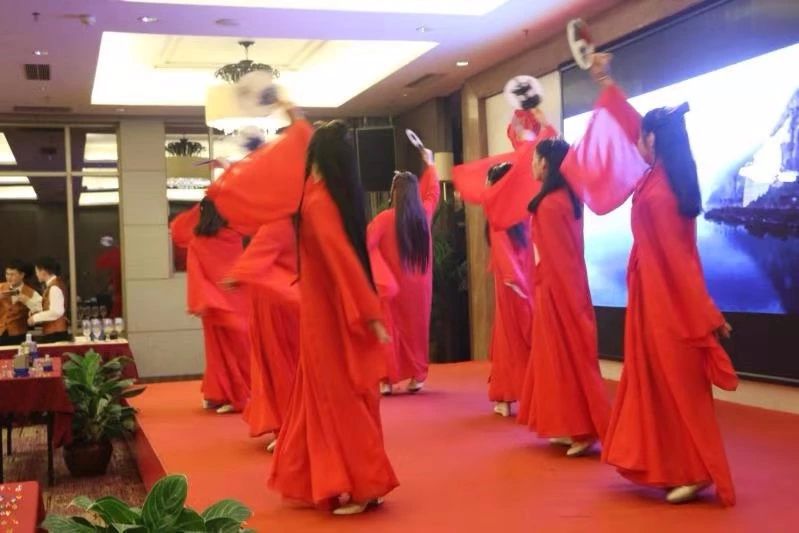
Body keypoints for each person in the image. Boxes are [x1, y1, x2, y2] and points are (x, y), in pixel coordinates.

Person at [583, 54, 737, 505]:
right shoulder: (660, 175)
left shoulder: (665, 190)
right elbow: (633, 123)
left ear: (653, 139)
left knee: (677, 385)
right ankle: (671, 466)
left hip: (669, 301)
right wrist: (607, 82)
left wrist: (706, 314)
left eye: (642, 138)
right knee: (655, 384)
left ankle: (696, 469)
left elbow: (681, 261)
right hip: (651, 296)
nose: (636, 143)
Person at [269, 120, 398, 515]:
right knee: (334, 397)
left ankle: (365, 483)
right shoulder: (323, 196)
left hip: (329, 319)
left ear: (315, 158)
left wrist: (369, 312)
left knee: (338, 398)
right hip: (327, 313)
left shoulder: (318, 203)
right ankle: (352, 480)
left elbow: (342, 260)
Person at [516, 138, 611, 457]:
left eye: (534, 159)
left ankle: (583, 429)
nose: (532, 165)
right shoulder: (569, 198)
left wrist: (550, 292)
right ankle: (571, 426)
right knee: (565, 359)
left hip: (556, 289)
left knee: (564, 360)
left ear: (546, 164)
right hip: (569, 285)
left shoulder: (549, 204)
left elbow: (555, 257)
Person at [367, 147, 439, 394]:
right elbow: (433, 192)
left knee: (391, 328)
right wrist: (430, 164)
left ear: (395, 193)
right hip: (419, 285)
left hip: (392, 285)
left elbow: (365, 245)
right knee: (417, 330)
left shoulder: (383, 219)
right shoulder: (423, 215)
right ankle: (417, 376)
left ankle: (386, 379)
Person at [170, 199, 251, 415]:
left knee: (218, 351)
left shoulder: (197, 242)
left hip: (213, 303)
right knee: (241, 350)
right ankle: (231, 394)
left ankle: (231, 396)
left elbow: (195, 272)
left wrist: (200, 300)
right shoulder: (237, 236)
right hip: (240, 300)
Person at [224, 220, 299, 452]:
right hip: (295, 299)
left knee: (278, 367)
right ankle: (295, 428)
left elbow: (257, 255)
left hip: (275, 305)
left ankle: (289, 429)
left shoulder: (276, 223)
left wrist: (237, 275)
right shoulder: (302, 221)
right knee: (293, 365)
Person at [482, 162, 533, 417]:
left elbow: (503, 251)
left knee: (510, 338)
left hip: (512, 283)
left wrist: (513, 279)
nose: (486, 185)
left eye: (489, 180)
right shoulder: (521, 211)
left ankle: (508, 394)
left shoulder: (499, 215)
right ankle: (522, 392)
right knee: (519, 338)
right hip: (522, 280)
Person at [28, 257, 70, 343]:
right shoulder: (55, 284)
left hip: (55, 334)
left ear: (43, 271)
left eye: (37, 271)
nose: (36, 275)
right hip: (55, 332)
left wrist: (35, 318)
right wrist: (37, 311)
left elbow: (56, 311)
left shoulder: (54, 287)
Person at [0, 259, 42, 346]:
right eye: (7, 274)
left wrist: (27, 301)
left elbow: (41, 308)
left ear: (22, 275)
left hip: (19, 335)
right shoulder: (0, 287)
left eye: (12, 274)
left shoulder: (31, 292)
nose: (9, 277)